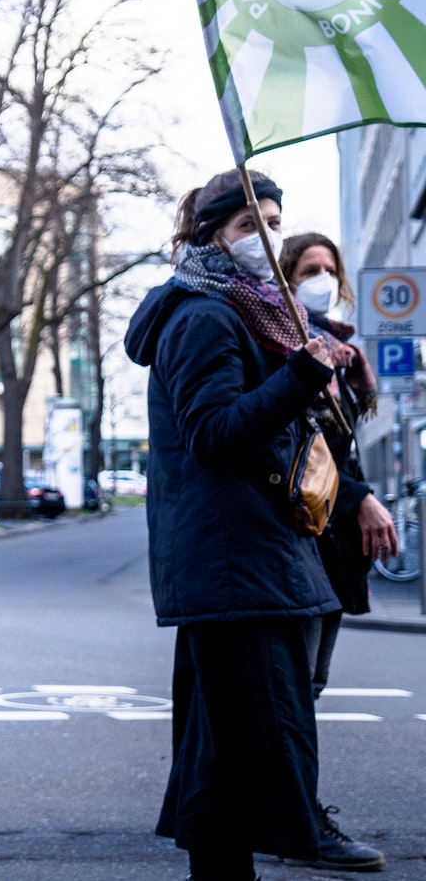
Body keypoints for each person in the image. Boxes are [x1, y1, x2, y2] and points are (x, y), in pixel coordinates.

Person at [124, 168, 344, 881]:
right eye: (251, 225)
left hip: (242, 559)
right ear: (210, 235)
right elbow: (214, 434)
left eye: (275, 222)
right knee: (260, 743)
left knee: (223, 752)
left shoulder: (246, 311)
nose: (268, 237)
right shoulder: (205, 315)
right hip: (234, 561)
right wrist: (301, 377)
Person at [278, 231, 392, 872]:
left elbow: (339, 447)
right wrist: (362, 498)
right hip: (306, 531)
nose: (320, 277)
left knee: (307, 684)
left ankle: (289, 811)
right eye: (308, 269)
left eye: (328, 268)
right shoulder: (290, 341)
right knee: (294, 686)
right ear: (287, 277)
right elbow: (302, 449)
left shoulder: (342, 347)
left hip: (331, 534)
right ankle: (296, 818)